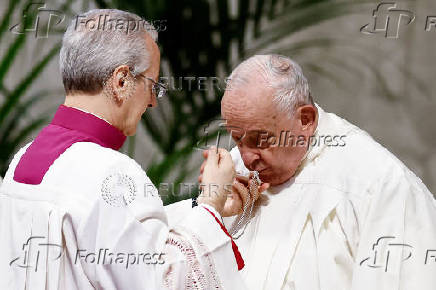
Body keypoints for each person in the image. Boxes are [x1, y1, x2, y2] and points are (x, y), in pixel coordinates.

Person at [0, 9, 253, 289]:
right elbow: (161, 281)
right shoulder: (111, 173)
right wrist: (210, 205)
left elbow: (110, 241)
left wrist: (198, 207)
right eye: (153, 86)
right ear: (121, 81)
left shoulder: (23, 158)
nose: (153, 103)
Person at [166, 54, 436, 290]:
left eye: (262, 140)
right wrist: (208, 209)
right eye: (237, 139)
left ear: (305, 120)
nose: (247, 159)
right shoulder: (233, 170)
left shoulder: (380, 184)